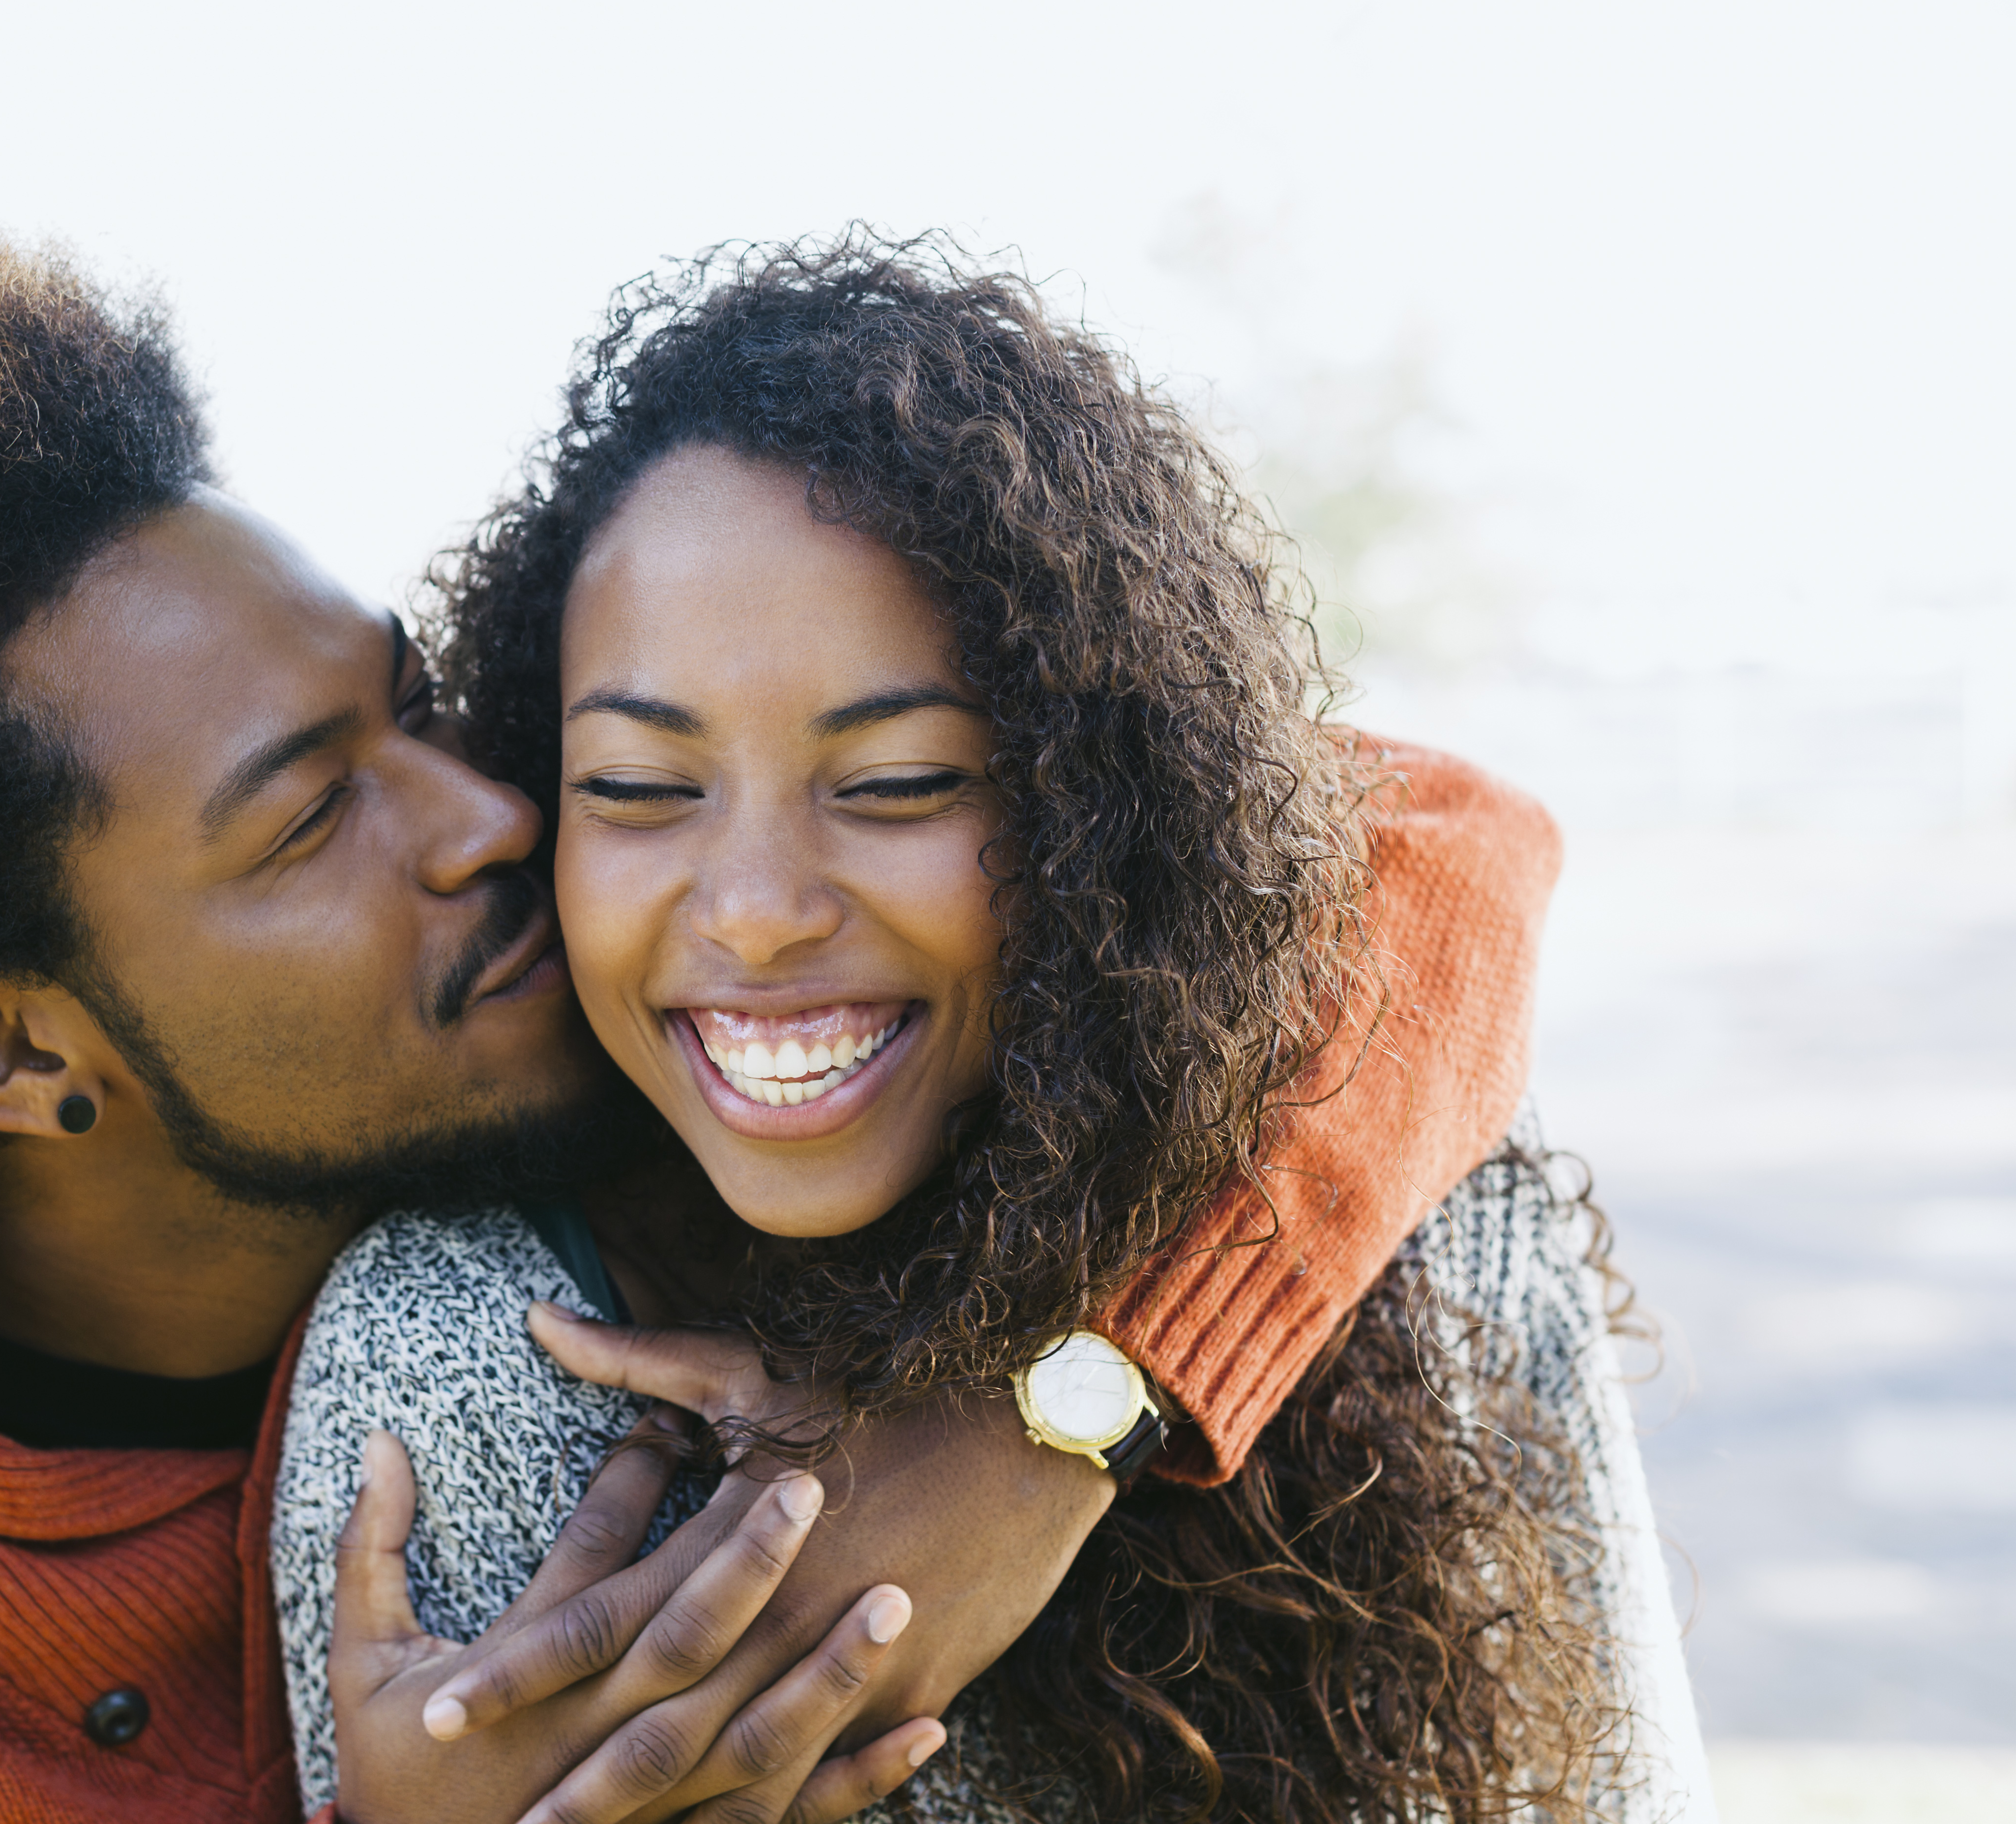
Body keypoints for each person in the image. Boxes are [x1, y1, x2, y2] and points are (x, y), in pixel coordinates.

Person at [0, 230, 1588, 1824]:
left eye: (404, 702)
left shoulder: (593, 1007)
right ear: (8, 1052)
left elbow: (1436, 846)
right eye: (318, 813)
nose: (492, 812)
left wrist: (1064, 1412)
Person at [272, 238, 1713, 1823]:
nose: (753, 911)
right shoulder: (467, 1362)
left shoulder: (1428, 1229)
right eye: (638, 789)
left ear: (1109, 811)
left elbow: (1461, 836)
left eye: (899, 784)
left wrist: (1062, 1414)